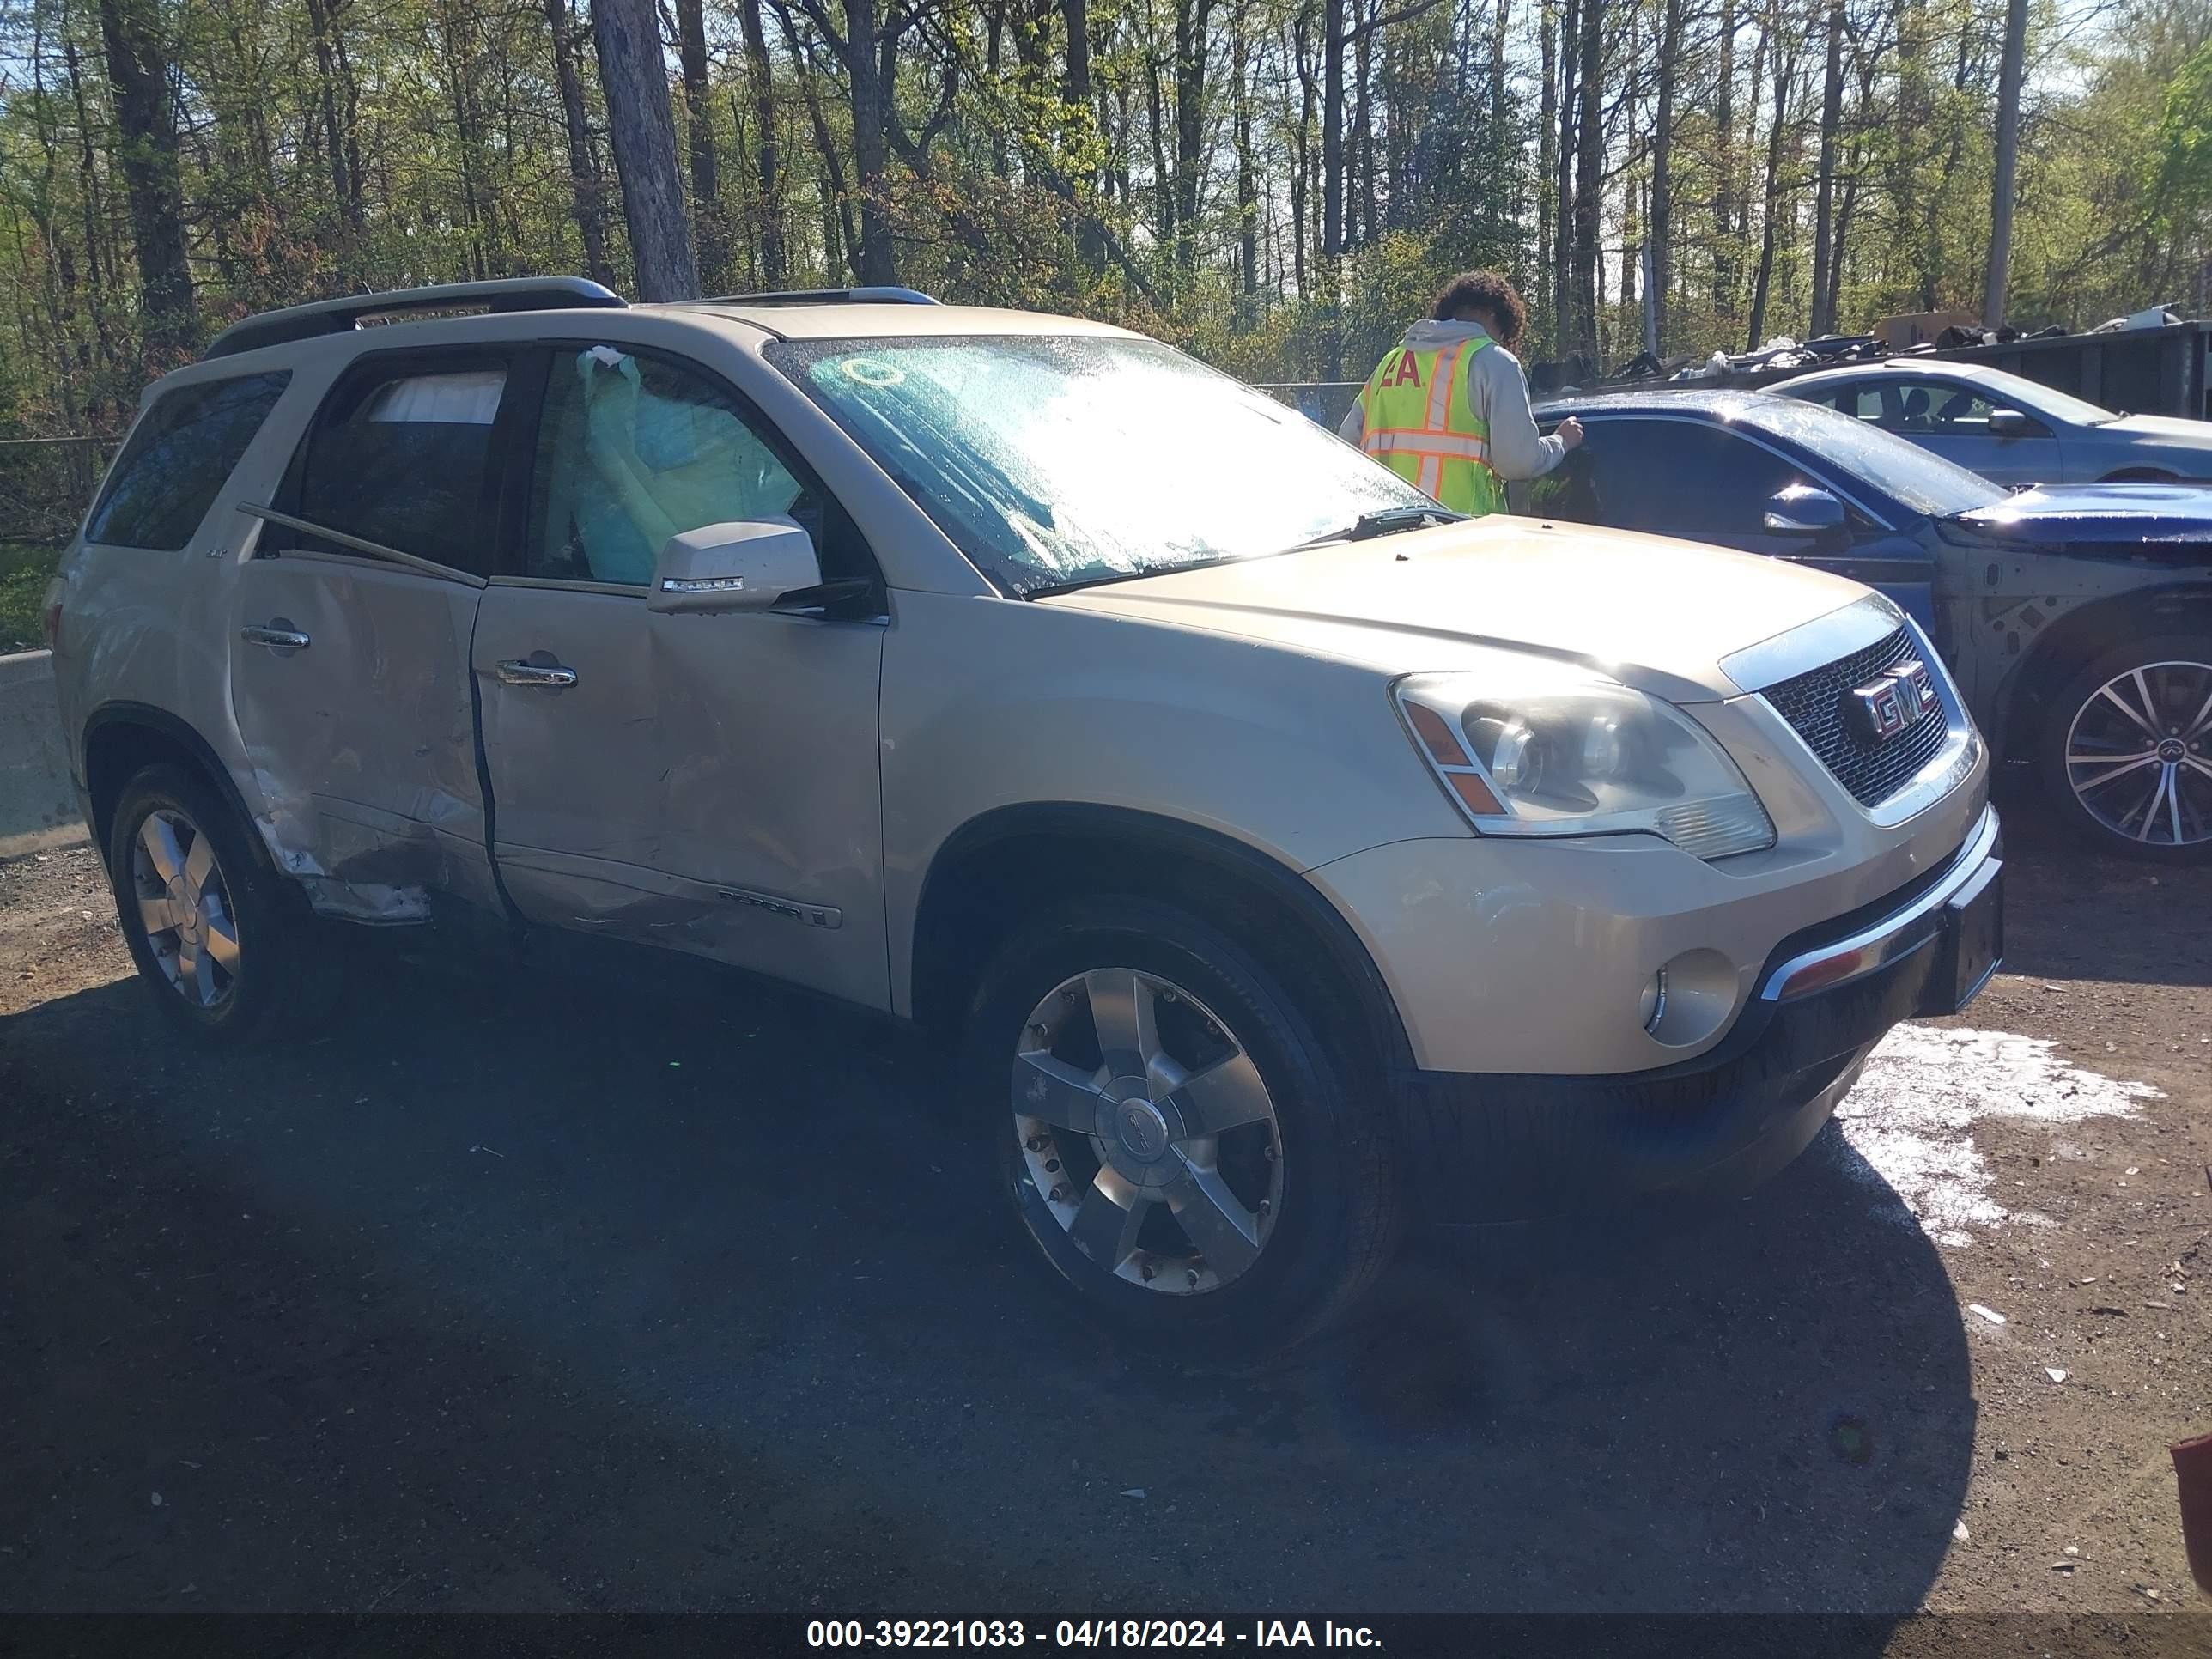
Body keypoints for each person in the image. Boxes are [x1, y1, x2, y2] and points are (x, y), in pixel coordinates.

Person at [1339, 270, 1583, 516]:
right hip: (1460, 535)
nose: (1502, 341)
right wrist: (1561, 441)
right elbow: (1517, 462)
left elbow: (1347, 441)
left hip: (1386, 534)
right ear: (1494, 315)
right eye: (1505, 335)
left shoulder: (1389, 363)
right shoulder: (1494, 362)